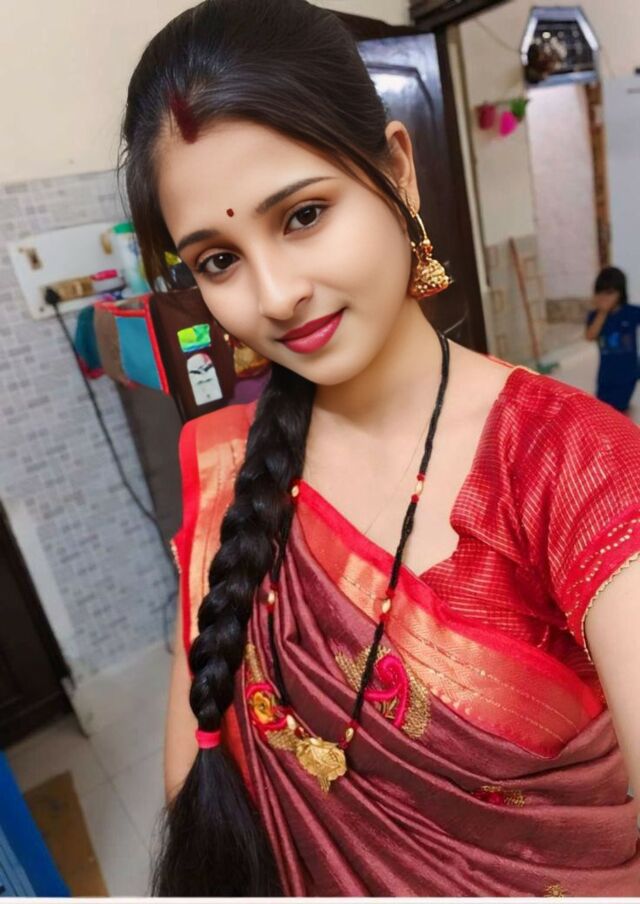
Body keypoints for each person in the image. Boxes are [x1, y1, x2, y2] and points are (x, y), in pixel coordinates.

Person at [120, 0, 640, 895]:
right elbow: (195, 780)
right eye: (217, 260)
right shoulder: (227, 465)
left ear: (398, 171)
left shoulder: (573, 467)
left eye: (303, 214)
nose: (274, 296)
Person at [585, 266, 640, 413]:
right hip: (605, 375)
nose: (604, 297)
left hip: (627, 374)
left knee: (619, 410)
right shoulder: (595, 316)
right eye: (599, 292)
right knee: (602, 410)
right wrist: (602, 312)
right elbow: (590, 336)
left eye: (609, 293)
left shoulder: (631, 312)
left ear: (620, 293)